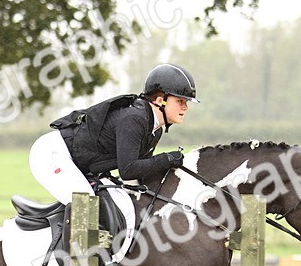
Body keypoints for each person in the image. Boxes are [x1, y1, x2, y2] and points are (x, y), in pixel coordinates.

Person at [29, 63, 197, 223]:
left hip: (76, 161)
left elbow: (141, 174)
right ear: (161, 101)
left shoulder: (154, 128)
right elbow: (128, 170)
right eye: (180, 101)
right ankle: (79, 253)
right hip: (51, 155)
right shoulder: (134, 119)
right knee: (85, 204)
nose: (185, 107)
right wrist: (166, 159)